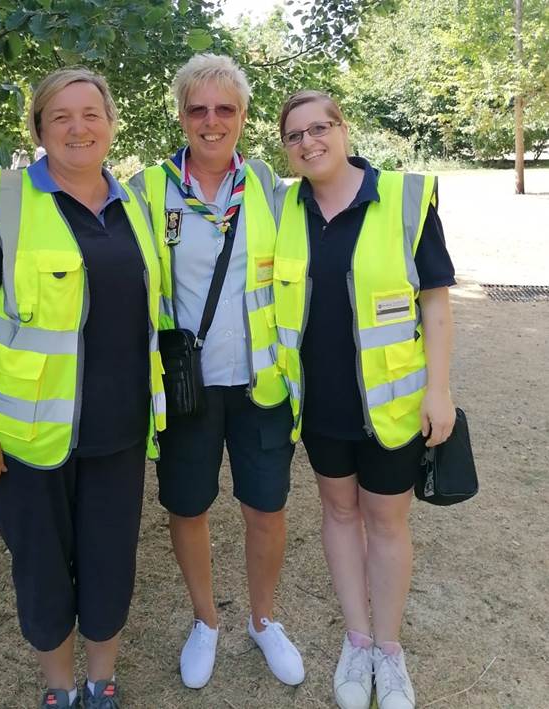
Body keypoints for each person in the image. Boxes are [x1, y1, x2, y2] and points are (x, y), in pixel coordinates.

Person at [0, 67, 166, 709]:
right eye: (60, 116)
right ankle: (60, 689)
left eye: (91, 114)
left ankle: (102, 681)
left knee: (110, 565)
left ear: (111, 124)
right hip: (26, 439)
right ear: (38, 128)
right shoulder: (4, 199)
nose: (77, 127)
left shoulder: (136, 205)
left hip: (119, 432)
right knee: (42, 572)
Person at [274, 90, 457, 709]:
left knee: (386, 522)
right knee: (339, 514)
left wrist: (439, 390)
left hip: (393, 404)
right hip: (321, 404)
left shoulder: (405, 198)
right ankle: (357, 641)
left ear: (343, 129)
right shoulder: (281, 206)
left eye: (319, 128)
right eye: (294, 135)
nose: (309, 143)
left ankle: (388, 648)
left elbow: (434, 300)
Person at [129, 54, 304, 690]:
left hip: (260, 381)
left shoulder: (268, 186)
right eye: (198, 109)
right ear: (180, 114)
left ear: (243, 116)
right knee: (189, 506)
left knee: (266, 508)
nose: (211, 121)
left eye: (224, 109)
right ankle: (206, 622)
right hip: (185, 387)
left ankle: (263, 620)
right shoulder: (147, 189)